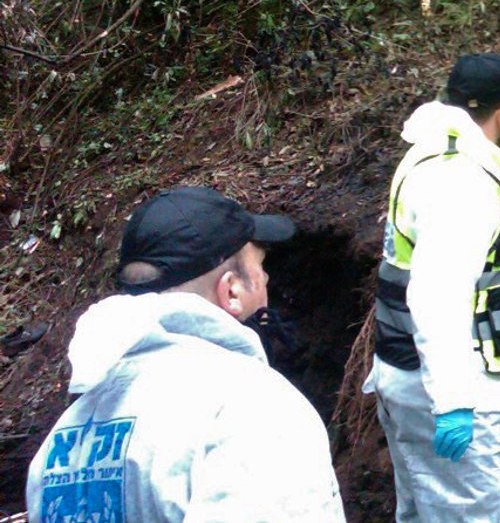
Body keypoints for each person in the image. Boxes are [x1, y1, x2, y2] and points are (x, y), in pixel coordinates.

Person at [24, 185, 345, 522]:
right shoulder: (253, 408)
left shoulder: (63, 438)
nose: (265, 278)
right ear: (231, 290)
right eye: (260, 266)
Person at [364, 52, 500, 522]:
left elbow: (493, 150)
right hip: (449, 387)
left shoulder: (439, 147)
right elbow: (438, 296)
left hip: (406, 370)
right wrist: (453, 403)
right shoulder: (462, 188)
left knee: (419, 511)